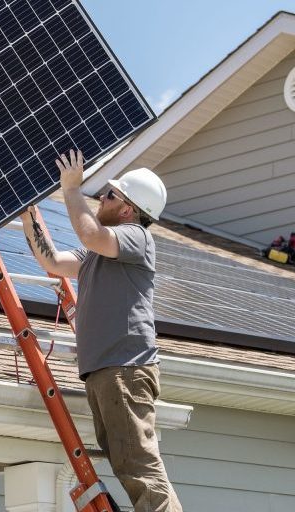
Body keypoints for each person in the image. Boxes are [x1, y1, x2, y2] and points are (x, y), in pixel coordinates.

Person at [20, 150, 182, 512]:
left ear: (128, 209)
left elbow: (91, 234)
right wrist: (29, 214)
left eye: (110, 194)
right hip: (108, 371)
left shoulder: (135, 237)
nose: (101, 197)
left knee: (140, 470)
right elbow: (53, 261)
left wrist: (71, 190)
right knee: (129, 464)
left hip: (124, 368)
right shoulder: (99, 252)